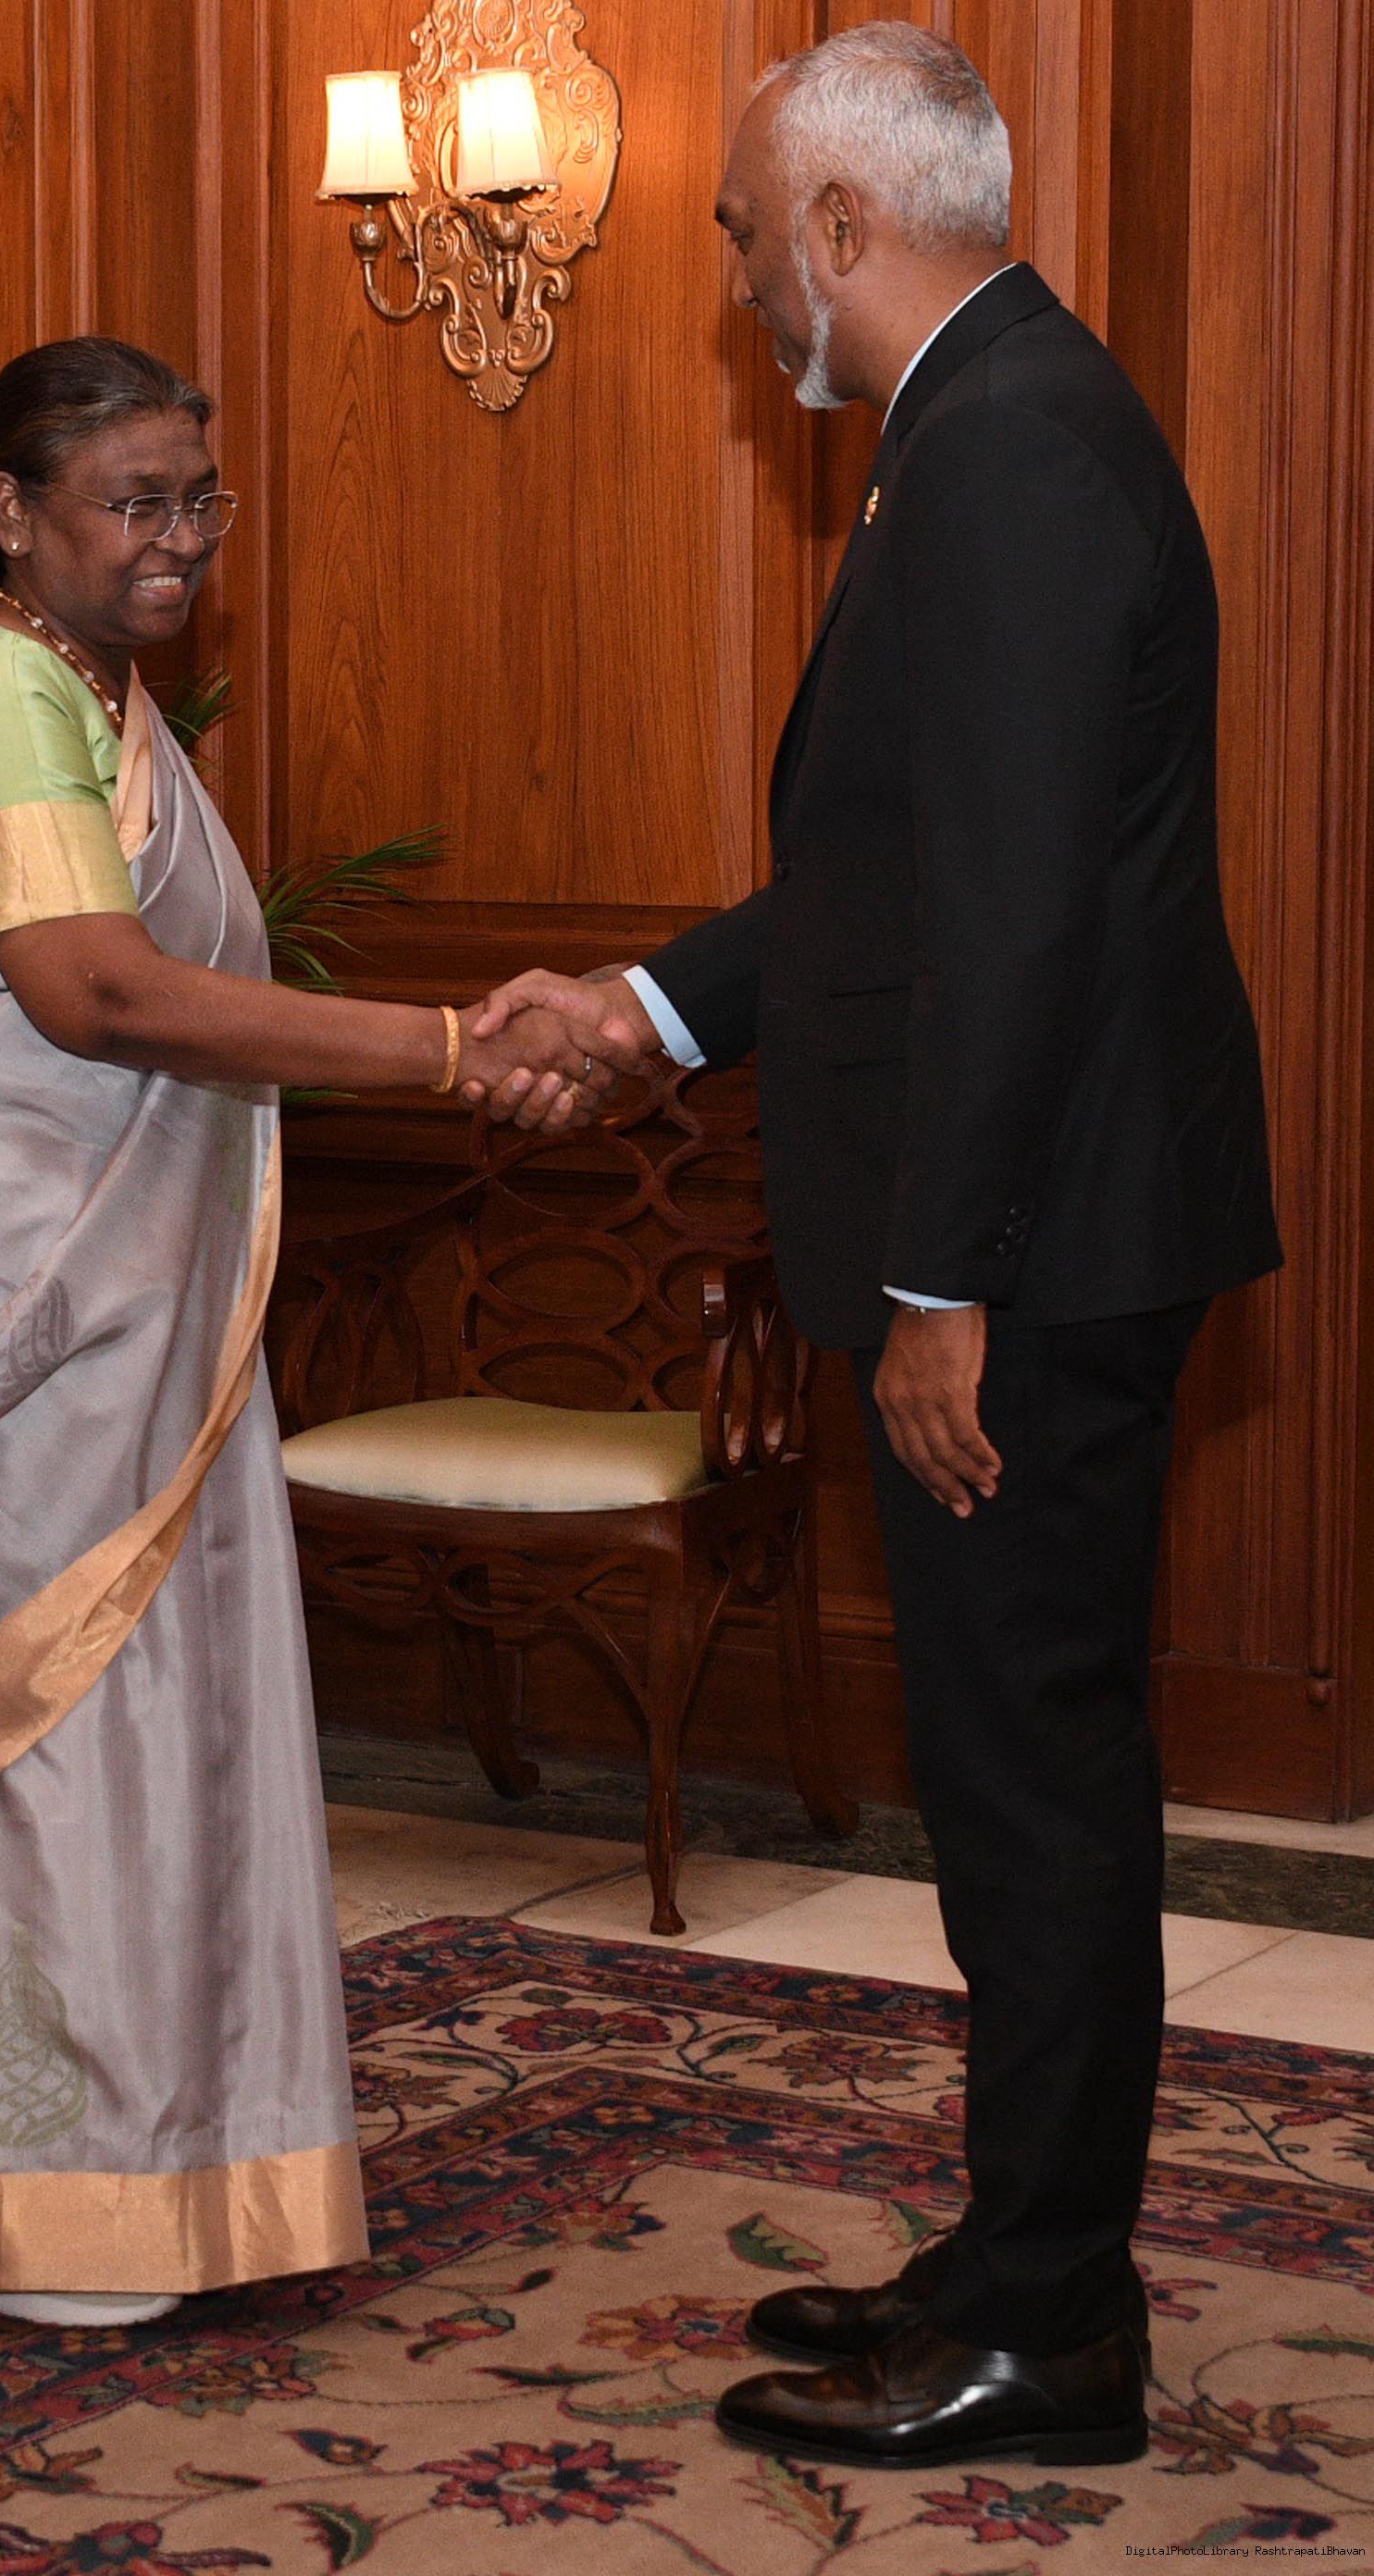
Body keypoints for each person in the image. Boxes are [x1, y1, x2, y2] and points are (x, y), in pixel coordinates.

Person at [470, 25, 1281, 2469]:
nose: (737, 286)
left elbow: (1018, 921)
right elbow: (895, 881)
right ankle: (1021, 2255)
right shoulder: (994, 418)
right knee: (1009, 1767)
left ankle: (1053, 2335)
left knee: (1029, 1785)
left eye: (741, 234)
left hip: (1027, 1256)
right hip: (1045, 1225)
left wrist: (947, 1283)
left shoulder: (1005, 442)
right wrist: (637, 1008)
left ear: (839, 223)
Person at [0, 336, 625, 2328]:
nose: (179, 539)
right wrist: (455, 1048)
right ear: (12, 511)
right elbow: (99, 996)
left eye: (199, 500)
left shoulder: (97, 700)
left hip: (109, 1304)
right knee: (35, 1730)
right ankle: (26, 2197)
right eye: (133, 501)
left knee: (81, 1726)